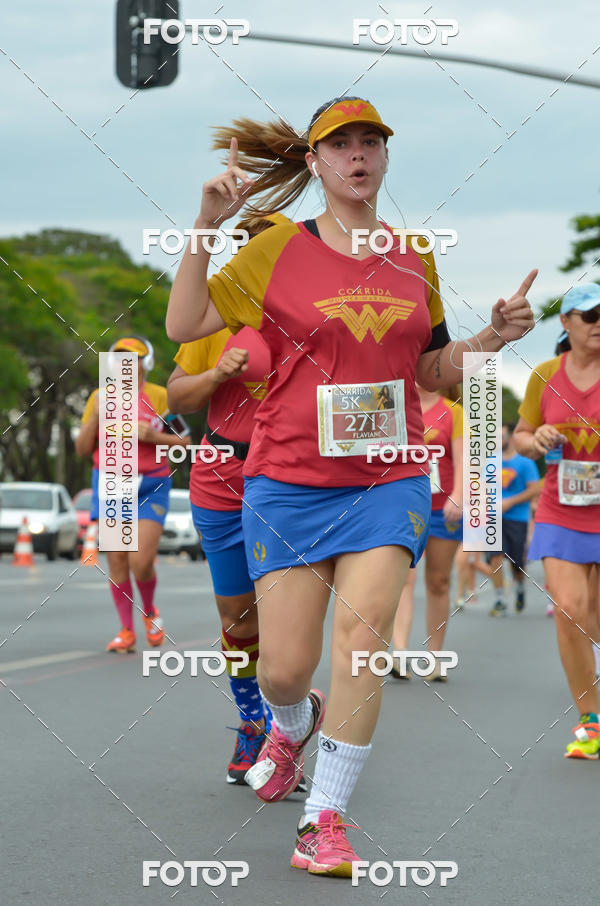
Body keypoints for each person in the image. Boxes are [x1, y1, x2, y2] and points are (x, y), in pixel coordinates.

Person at [166, 95, 536, 876]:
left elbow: (431, 371)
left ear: (385, 157)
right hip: (290, 478)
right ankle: (291, 722)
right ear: (315, 163)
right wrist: (203, 224)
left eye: (371, 142)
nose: (358, 155)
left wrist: (493, 339)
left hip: (389, 480)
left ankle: (324, 822)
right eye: (341, 145)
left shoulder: (414, 257)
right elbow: (184, 323)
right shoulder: (274, 252)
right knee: (284, 669)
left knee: (362, 645)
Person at [167, 262, 307, 788]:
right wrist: (218, 374)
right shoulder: (215, 314)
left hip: (294, 473)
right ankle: (253, 721)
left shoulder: (315, 316)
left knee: (287, 617)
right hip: (222, 472)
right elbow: (177, 399)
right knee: (238, 617)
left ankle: (284, 733)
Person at [514, 283, 600, 759]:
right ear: (566, 322)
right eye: (589, 315)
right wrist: (537, 438)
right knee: (569, 608)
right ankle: (590, 721)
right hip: (560, 510)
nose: (598, 323)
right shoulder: (545, 375)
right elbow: (523, 436)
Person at [76, 336, 186, 653]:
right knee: (119, 560)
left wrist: (154, 436)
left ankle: (149, 611)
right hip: (114, 483)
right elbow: (83, 449)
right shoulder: (99, 396)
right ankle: (126, 630)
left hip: (152, 482)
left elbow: (185, 442)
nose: (126, 364)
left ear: (146, 363)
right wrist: (97, 415)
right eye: (119, 358)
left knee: (141, 561)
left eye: (133, 358)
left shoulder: (161, 397)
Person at [390, 385, 463, 681]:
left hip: (441, 508)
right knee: (403, 579)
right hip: (403, 506)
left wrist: (458, 495)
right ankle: (400, 652)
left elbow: (463, 461)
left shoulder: (453, 411)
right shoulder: (394, 403)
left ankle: (435, 656)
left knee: (439, 582)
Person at [488, 423, 540, 616]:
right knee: (494, 556)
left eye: (501, 436)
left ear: (510, 438)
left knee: (516, 562)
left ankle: (519, 588)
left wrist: (510, 502)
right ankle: (500, 599)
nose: (497, 441)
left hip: (517, 518)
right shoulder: (490, 462)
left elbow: (535, 489)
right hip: (493, 519)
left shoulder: (525, 463)